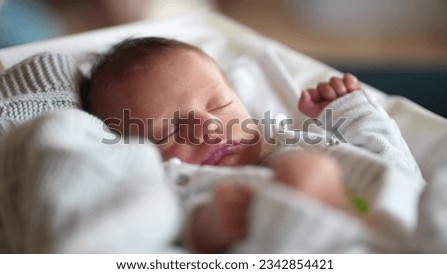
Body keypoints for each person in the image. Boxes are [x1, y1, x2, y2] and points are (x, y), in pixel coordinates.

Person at [82, 37, 424, 253]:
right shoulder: (184, 183)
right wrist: (207, 230)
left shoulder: (302, 138)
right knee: (302, 172)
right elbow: (172, 234)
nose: (207, 128)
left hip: (413, 232)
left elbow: (397, 167)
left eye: (217, 105)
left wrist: (353, 112)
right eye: (166, 132)